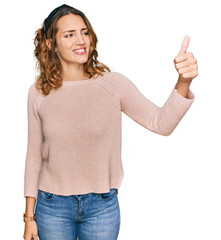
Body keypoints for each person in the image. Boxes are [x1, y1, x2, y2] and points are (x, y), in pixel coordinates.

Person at [23, 4, 198, 240]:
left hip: (101, 208)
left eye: (84, 32)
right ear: (50, 44)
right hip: (52, 207)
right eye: (69, 35)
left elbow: (161, 123)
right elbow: (34, 155)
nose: (80, 40)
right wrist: (29, 217)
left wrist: (183, 81)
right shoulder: (38, 92)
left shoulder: (113, 85)